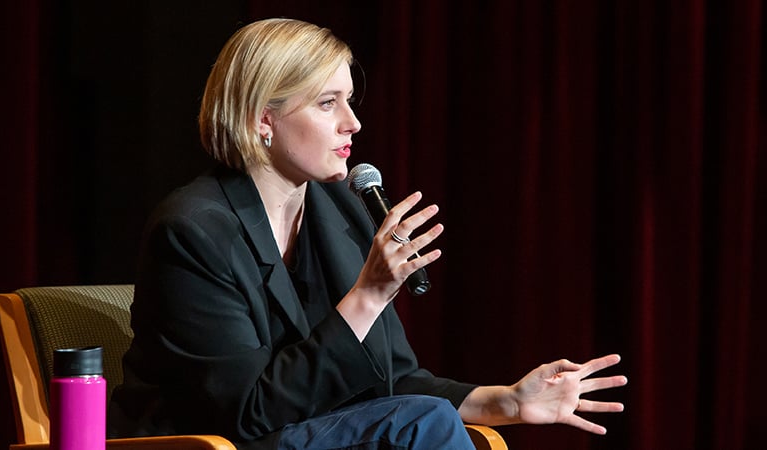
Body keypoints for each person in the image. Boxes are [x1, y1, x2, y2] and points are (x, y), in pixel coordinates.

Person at [108, 17, 627, 449]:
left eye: (350, 100)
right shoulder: (193, 232)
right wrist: (370, 294)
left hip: (309, 436)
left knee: (421, 420)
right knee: (419, 425)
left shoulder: (340, 210)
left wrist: (506, 401)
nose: (353, 123)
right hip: (217, 442)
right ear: (264, 119)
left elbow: (391, 380)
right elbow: (246, 413)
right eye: (327, 103)